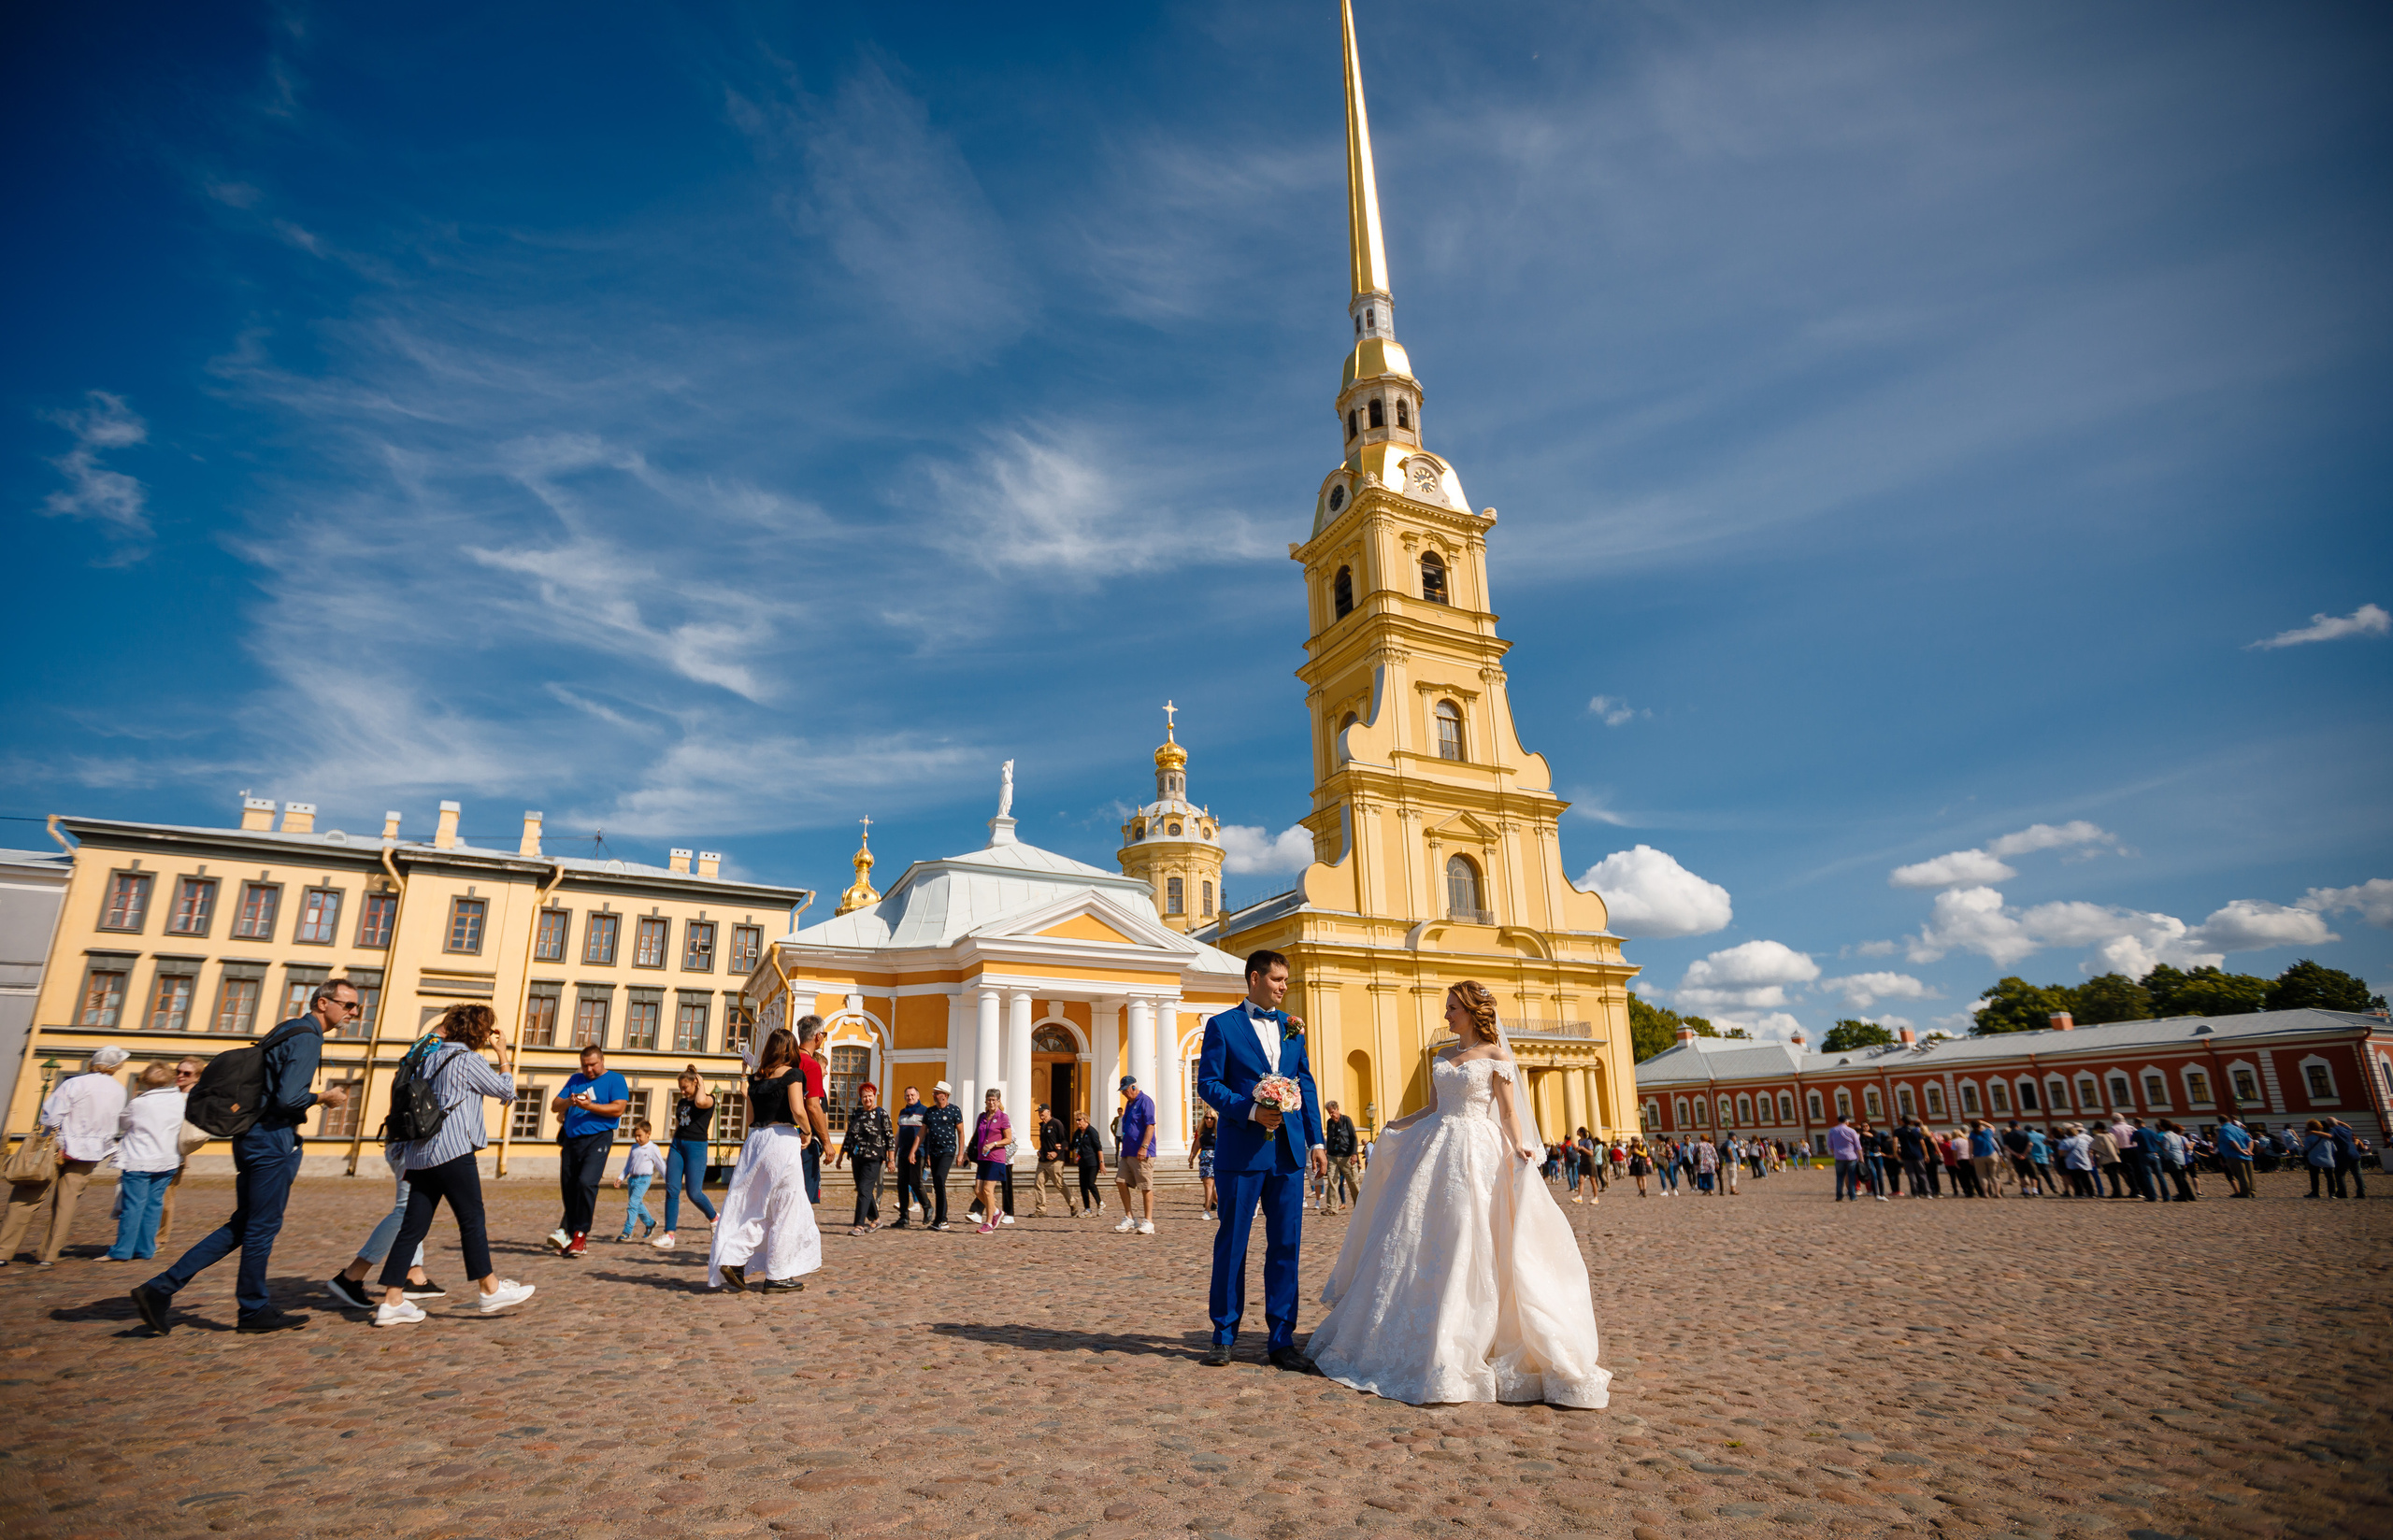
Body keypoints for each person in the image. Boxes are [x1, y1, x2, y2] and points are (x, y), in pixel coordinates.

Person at [1306, 980, 1608, 1406]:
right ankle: (1415, 1330)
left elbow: (1506, 1111)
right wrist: (1397, 1124)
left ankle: (1469, 1332)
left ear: (1470, 1010)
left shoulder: (1496, 1057)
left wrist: (1521, 1145)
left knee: (1471, 1227)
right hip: (1436, 1147)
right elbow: (1432, 1108)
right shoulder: (1442, 1056)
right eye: (1446, 1007)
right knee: (1419, 1233)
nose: (1446, 1015)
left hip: (1477, 1149)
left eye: (1452, 1008)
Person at [130, 983, 356, 1334]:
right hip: (271, 1139)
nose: (353, 1013)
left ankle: (160, 1289)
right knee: (261, 1227)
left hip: (250, 1135)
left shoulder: (286, 1029)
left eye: (356, 1007)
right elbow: (288, 1098)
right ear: (323, 1003)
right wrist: (323, 1098)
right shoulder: (309, 1038)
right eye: (349, 1005)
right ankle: (252, 1309)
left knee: (244, 1224)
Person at [366, 1004, 537, 1326]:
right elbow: (505, 1091)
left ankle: (391, 1300)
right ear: (478, 1032)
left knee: (412, 1227)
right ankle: (490, 1290)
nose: (489, 1034)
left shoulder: (426, 1057)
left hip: (419, 1153)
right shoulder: (467, 1059)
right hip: (453, 1150)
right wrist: (503, 1055)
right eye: (487, 1029)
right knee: (471, 1218)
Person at [1196, 950, 1326, 1371]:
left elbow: (1305, 1083)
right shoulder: (1222, 1026)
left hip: (1287, 1153)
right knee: (1233, 1243)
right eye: (1277, 980)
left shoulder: (1293, 1028)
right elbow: (1209, 1084)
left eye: (1286, 980)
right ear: (1255, 978)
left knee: (1287, 1245)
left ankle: (1281, 1339)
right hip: (1242, 1151)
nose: (1284, 986)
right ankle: (1223, 1335)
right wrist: (1250, 1110)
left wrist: (1316, 1142)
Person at [709, 1027, 820, 1291]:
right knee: (786, 1206)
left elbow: (749, 1120)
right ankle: (778, 1274)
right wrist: (807, 1131)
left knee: (753, 1204)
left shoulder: (756, 1079)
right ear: (790, 1049)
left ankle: (733, 1258)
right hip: (782, 1139)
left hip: (756, 1141)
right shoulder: (794, 1074)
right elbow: (797, 1109)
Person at [2, 1045, 131, 1267]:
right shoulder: (119, 1090)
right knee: (67, 1203)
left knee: (27, 1195)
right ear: (117, 1066)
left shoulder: (74, 1083)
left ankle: (4, 1250)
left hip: (56, 1147)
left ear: (93, 1062)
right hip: (90, 1152)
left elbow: (51, 1116)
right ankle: (49, 1255)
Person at [548, 1046, 628, 1257]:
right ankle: (569, 1235)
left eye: (593, 1064)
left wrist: (590, 1106)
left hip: (599, 1138)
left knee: (586, 1182)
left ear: (602, 1061)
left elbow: (618, 1108)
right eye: (585, 1065)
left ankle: (580, 1234)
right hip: (572, 1139)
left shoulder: (615, 1079)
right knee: (569, 1187)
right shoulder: (575, 1079)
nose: (589, 1069)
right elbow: (555, 1105)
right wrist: (570, 1101)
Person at [105, 1062, 184, 1262]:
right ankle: (146, 1248)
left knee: (133, 1206)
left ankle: (123, 1250)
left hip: (139, 1160)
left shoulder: (140, 1103)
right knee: (154, 1205)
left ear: (147, 1081)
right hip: (168, 1160)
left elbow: (122, 1123)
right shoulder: (181, 1101)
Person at [655, 1066, 719, 1250]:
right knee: (672, 1189)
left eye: (685, 1087)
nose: (682, 1091)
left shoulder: (708, 1100)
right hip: (678, 1145)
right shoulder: (682, 1102)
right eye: (680, 1088)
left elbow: (699, 1101)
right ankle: (669, 1234)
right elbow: (679, 1123)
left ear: (696, 1083)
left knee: (694, 1193)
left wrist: (701, 1082)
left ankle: (715, 1218)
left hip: (696, 1147)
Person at [154, 1058, 201, 1249]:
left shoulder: (195, 1099)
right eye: (178, 1072)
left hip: (175, 1153)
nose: (180, 1076)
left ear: (197, 1077)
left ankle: (160, 1238)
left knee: (166, 1197)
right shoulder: (168, 1094)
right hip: (154, 1149)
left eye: (186, 1074)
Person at [834, 1082, 894, 1234]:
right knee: (863, 1189)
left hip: (874, 1157)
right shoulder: (856, 1114)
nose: (867, 1099)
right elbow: (849, 1135)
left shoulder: (882, 1113)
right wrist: (841, 1156)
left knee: (864, 1189)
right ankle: (876, 1219)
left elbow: (889, 1137)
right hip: (856, 1156)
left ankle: (859, 1225)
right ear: (860, 1098)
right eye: (864, 1096)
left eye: (870, 1096)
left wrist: (891, 1159)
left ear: (875, 1096)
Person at [1112, 1075, 1158, 1235]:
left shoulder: (1145, 1101)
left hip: (1142, 1152)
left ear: (1133, 1087)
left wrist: (1144, 1147)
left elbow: (1150, 1126)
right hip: (1128, 1151)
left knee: (1145, 1186)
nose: (1124, 1094)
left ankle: (1149, 1221)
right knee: (1120, 1181)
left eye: (1125, 1090)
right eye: (1122, 1091)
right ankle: (1129, 1217)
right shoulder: (1129, 1103)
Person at [795, 1018, 833, 1205]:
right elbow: (813, 1106)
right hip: (803, 1136)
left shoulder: (787, 1060)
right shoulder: (810, 1065)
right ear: (818, 1036)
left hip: (777, 1133)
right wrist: (827, 1143)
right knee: (805, 1195)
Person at [920, 1082, 964, 1231]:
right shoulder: (930, 1112)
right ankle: (939, 1219)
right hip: (934, 1151)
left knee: (939, 1179)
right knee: (937, 1184)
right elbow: (924, 1133)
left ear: (944, 1095)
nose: (933, 1095)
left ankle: (942, 1219)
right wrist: (926, 1155)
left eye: (936, 1093)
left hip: (948, 1150)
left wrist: (961, 1153)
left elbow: (961, 1132)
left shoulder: (954, 1110)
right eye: (934, 1092)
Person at [970, 1089, 1013, 1236]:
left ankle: (988, 1222)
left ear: (999, 1101)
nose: (991, 1102)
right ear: (985, 1101)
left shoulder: (1003, 1117)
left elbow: (1008, 1139)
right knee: (978, 1190)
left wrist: (994, 1144)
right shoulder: (982, 1117)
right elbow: (977, 1135)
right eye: (989, 1100)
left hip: (996, 1158)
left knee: (988, 1190)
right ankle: (996, 1211)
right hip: (982, 1157)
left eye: (994, 1100)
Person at [613, 1121, 665, 1241]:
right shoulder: (634, 1148)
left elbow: (661, 1165)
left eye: (639, 1136)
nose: (637, 1139)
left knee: (632, 1205)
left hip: (644, 1179)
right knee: (637, 1204)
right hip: (632, 1179)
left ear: (648, 1134)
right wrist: (621, 1177)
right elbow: (628, 1165)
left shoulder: (653, 1148)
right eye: (635, 1136)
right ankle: (650, 1223)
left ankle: (627, 1232)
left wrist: (670, 1181)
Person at [890, 1086, 933, 1229]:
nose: (910, 1097)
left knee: (915, 1182)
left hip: (918, 1153)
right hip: (903, 1153)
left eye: (912, 1095)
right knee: (901, 1185)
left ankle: (927, 1207)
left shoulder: (924, 1111)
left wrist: (928, 1155)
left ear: (918, 1096)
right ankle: (903, 1216)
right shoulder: (902, 1113)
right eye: (907, 1095)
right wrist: (892, 1154)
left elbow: (927, 1135)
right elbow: (898, 1135)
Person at [1033, 1102, 1075, 1218]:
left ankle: (1072, 1203)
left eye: (1043, 1112)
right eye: (1039, 1112)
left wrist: (1056, 1153)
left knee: (1059, 1184)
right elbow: (1045, 1143)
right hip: (1043, 1161)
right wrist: (1041, 1151)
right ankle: (1041, 1209)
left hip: (1055, 1161)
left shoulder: (1056, 1123)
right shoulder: (1042, 1126)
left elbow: (1065, 1141)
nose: (1041, 1114)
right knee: (1038, 1183)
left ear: (1049, 1112)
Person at [1322, 1103, 1359, 1213]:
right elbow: (1329, 1138)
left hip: (1347, 1156)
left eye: (1332, 1112)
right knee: (1332, 1181)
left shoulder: (1347, 1120)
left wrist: (1354, 1153)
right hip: (1333, 1156)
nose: (1331, 1115)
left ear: (1337, 1109)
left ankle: (1360, 1206)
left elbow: (1353, 1138)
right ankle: (1332, 1208)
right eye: (1329, 1113)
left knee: (1353, 1182)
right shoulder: (1329, 1123)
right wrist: (1326, 1154)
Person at [1071, 1111, 1107, 1216]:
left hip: (1093, 1162)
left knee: (1090, 1183)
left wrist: (1102, 1163)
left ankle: (1100, 1202)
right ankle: (1087, 1209)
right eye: (1076, 1120)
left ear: (1085, 1120)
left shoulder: (1092, 1132)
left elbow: (1098, 1148)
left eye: (1079, 1120)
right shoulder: (1077, 1133)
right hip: (1082, 1163)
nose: (1077, 1122)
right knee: (1083, 1186)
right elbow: (1073, 1145)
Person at [1191, 1110, 1222, 1220]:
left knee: (1211, 1185)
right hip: (1204, 1158)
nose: (1209, 1120)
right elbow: (1198, 1144)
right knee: (1208, 1185)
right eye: (1207, 1118)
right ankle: (1213, 1206)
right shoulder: (1202, 1131)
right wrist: (1192, 1156)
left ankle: (1207, 1209)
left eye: (1211, 1118)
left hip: (1215, 1158)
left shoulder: (1219, 1131)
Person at [1826, 1113, 1862, 1203]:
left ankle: (1839, 1196)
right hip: (1851, 1157)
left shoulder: (1832, 1130)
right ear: (1846, 1121)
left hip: (1839, 1157)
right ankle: (1852, 1196)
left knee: (1839, 1177)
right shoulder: (1851, 1131)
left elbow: (1830, 1145)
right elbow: (1857, 1146)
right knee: (1851, 1177)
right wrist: (1861, 1158)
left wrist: (1836, 1153)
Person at [2302, 1119, 2339, 1198]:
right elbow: (2334, 1149)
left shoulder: (2310, 1137)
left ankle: (2315, 1193)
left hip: (2314, 1159)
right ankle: (2332, 1193)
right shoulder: (2327, 1136)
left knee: (2314, 1176)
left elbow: (2306, 1148)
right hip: (2328, 1159)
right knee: (2330, 1177)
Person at [2088, 1121, 2126, 1198]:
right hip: (2115, 1157)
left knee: (2111, 1176)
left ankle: (2116, 1193)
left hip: (2106, 1158)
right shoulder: (2111, 1135)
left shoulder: (2099, 1136)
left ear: (2098, 1129)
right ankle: (2119, 1191)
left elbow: (2092, 1147)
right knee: (2115, 1176)